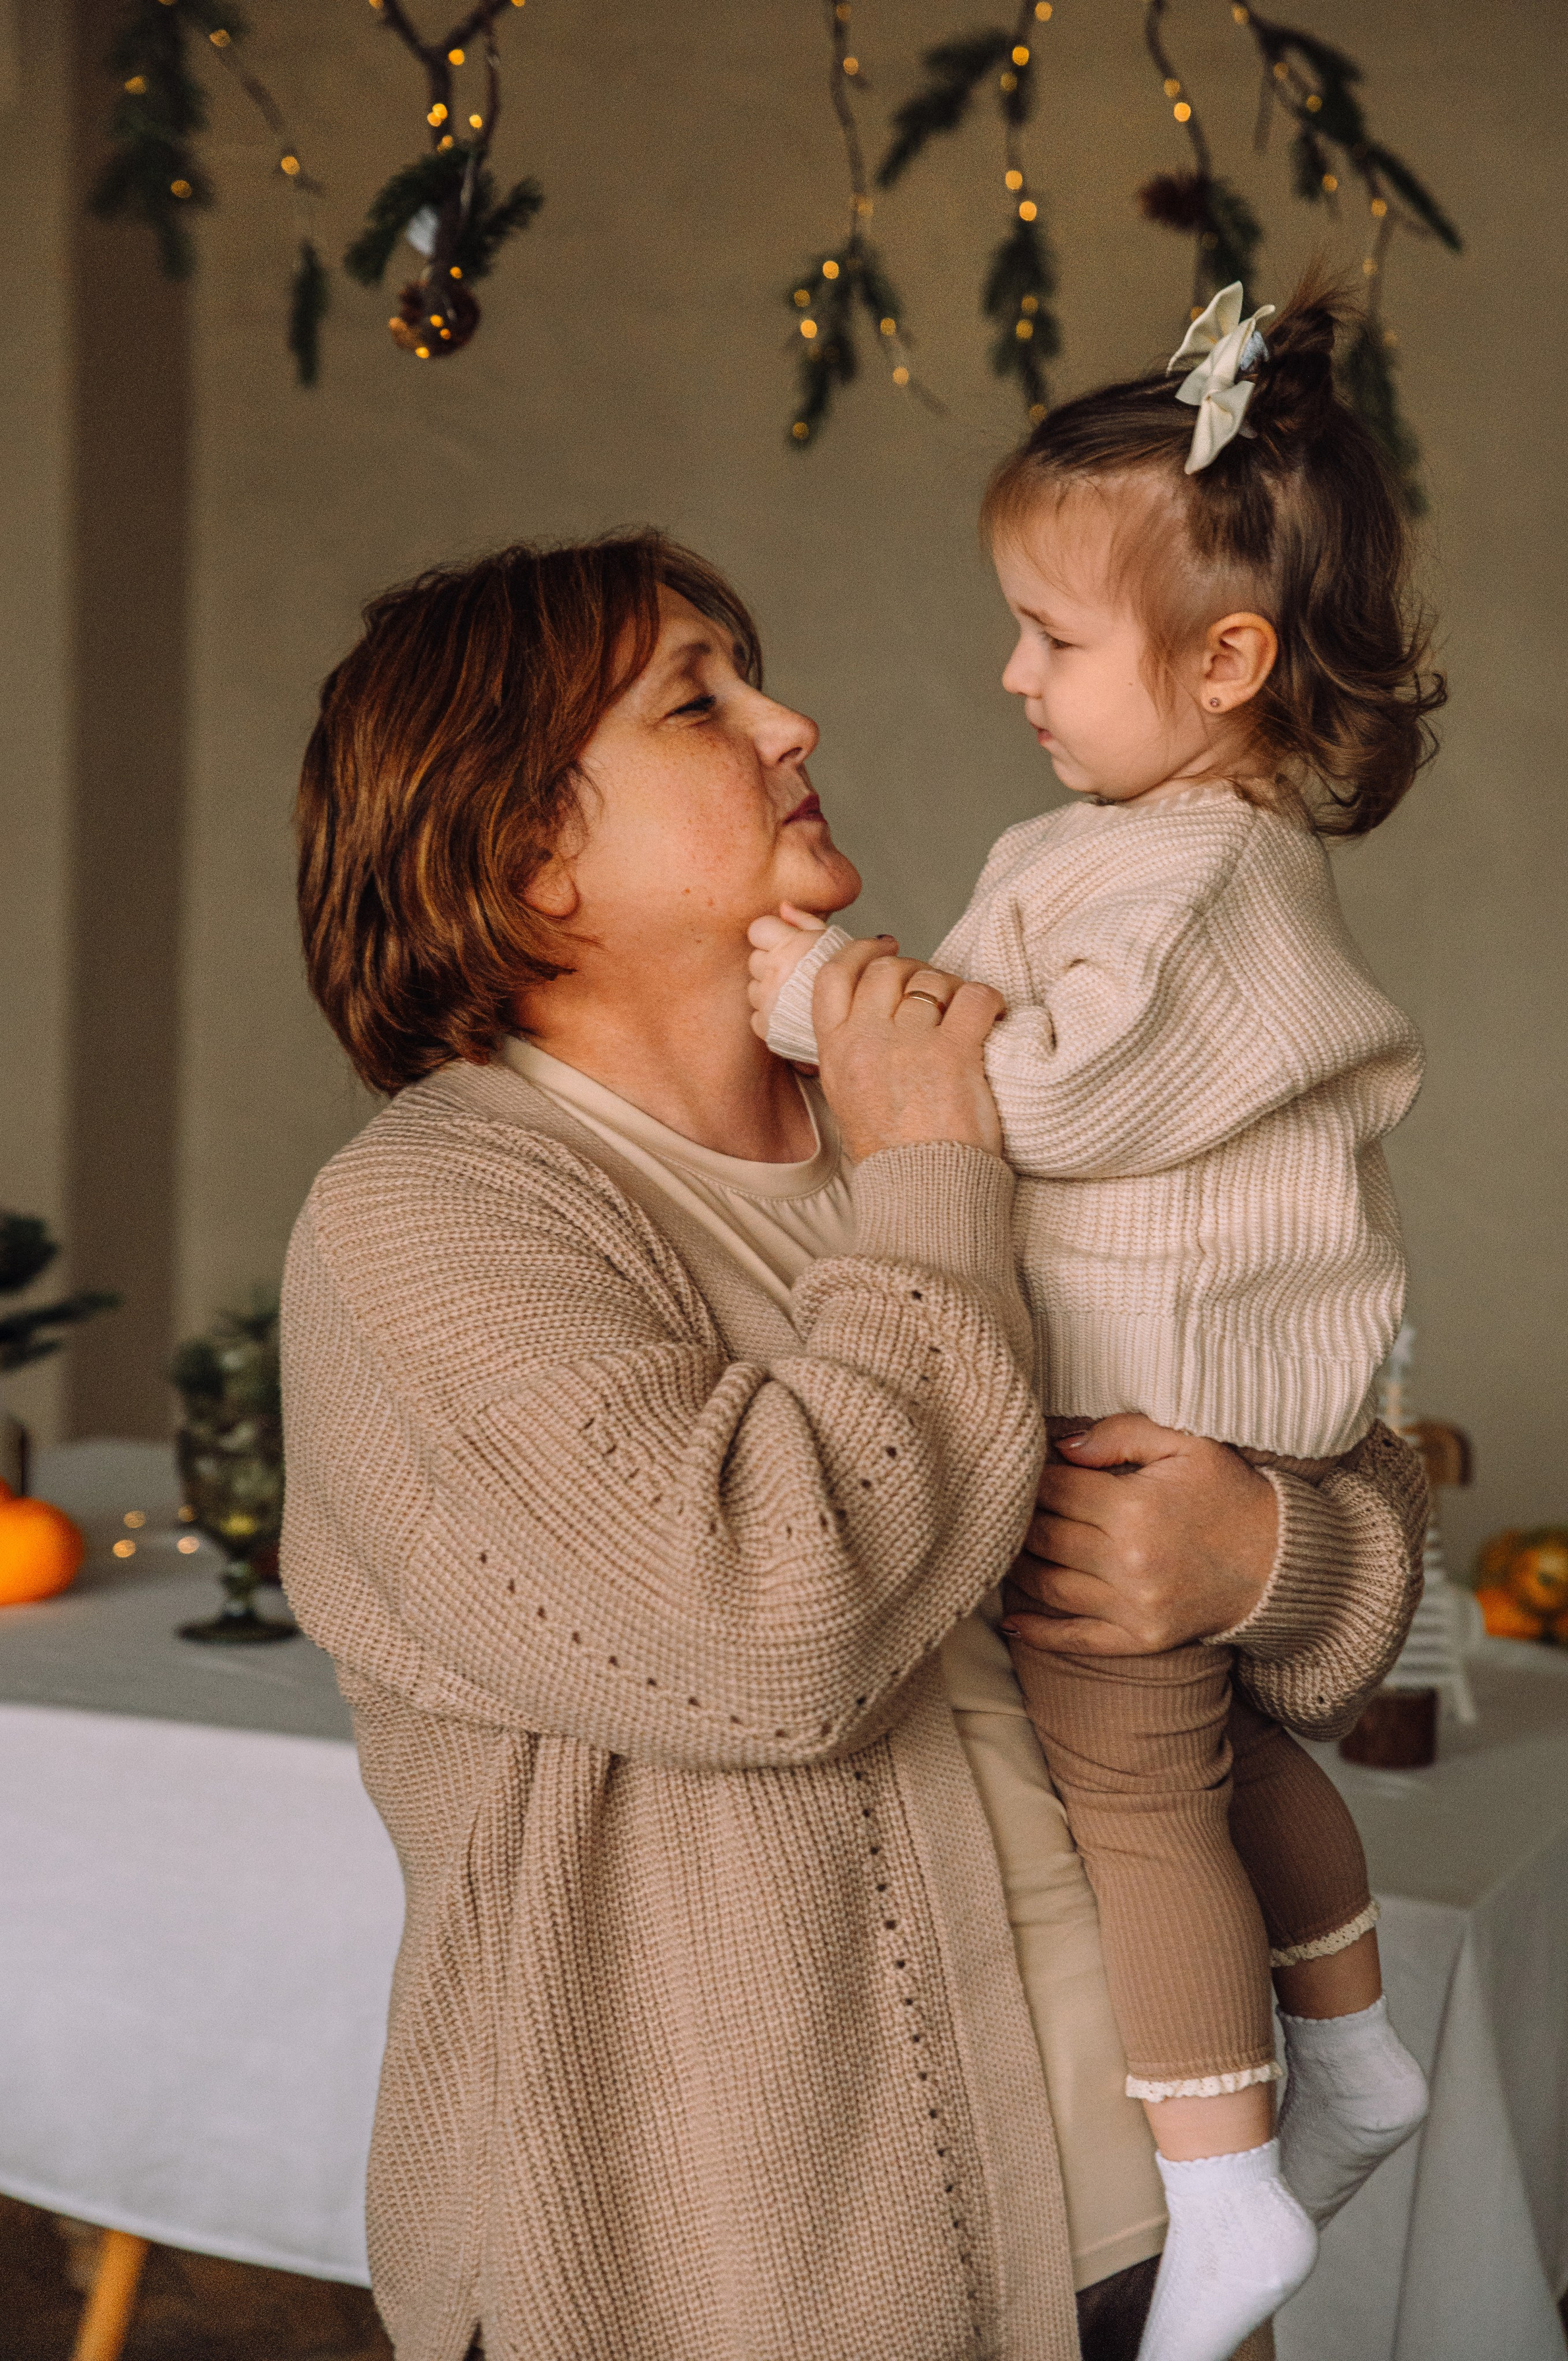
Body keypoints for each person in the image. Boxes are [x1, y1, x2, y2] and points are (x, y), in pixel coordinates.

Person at [281, 528, 1428, 2361]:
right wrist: (927, 1179)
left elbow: (1304, 1399)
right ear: (524, 852)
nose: (790, 717)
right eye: (698, 697)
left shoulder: (975, 1093)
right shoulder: (433, 1219)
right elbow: (769, 1632)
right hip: (738, 2275)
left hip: (1167, 2222)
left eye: (756, 669)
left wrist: (1271, 1552)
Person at [748, 277, 1438, 2361]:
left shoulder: (1216, 876)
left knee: (1138, 1787)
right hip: (1171, 1390)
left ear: (1225, 662)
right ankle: (1353, 2050)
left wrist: (804, 996)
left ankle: (1224, 2195)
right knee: (1230, 1750)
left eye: (1056, 639)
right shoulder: (1103, 846)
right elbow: (944, 1028)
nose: (1015, 675)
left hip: (1154, 1409)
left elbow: (1020, 1087)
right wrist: (852, 999)